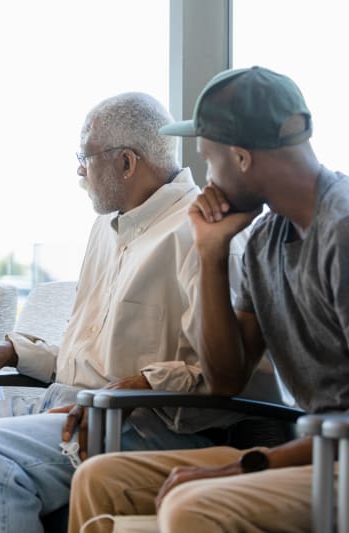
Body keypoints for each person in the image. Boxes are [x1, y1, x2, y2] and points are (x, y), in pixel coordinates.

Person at [0, 93, 265, 533]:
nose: (80, 171)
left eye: (85, 157)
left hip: (136, 424)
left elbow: (220, 374)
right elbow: (87, 356)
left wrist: (136, 384)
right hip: (60, 401)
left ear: (127, 163)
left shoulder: (200, 233)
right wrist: (12, 351)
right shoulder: (107, 227)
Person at [67, 66, 349, 533]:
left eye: (208, 161)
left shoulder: (340, 230)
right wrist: (210, 252)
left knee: (191, 506)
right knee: (101, 479)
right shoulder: (264, 241)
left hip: (335, 456)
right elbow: (225, 378)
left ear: (241, 158)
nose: (206, 179)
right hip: (316, 452)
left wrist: (247, 466)